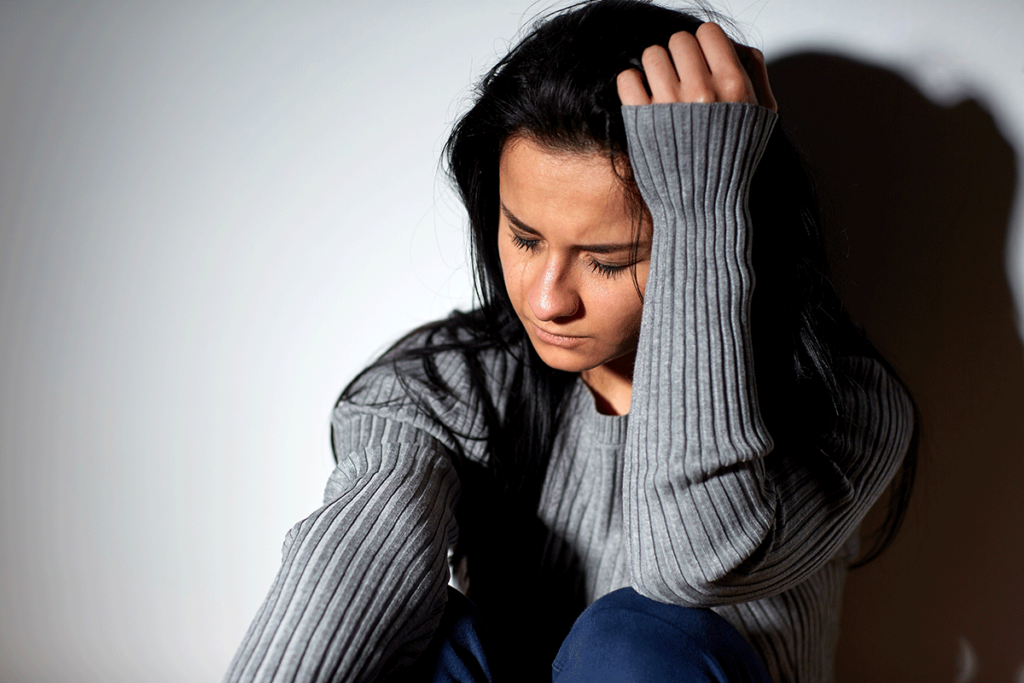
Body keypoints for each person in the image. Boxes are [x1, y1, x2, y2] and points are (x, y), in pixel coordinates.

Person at [223, 1, 917, 681]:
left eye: (607, 259)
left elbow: (692, 560)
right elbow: (358, 562)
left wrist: (703, 204)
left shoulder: (841, 404)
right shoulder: (454, 380)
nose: (547, 298)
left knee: (634, 639)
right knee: (416, 624)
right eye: (524, 237)